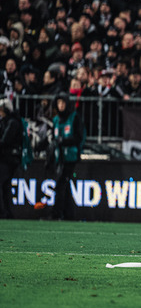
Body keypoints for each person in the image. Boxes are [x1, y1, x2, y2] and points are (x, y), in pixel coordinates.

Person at [50, 92, 85, 220]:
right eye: (59, 103)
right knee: (65, 185)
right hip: (59, 157)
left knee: (61, 184)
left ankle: (56, 213)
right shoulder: (55, 120)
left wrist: (64, 141)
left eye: (63, 102)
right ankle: (69, 214)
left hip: (70, 157)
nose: (61, 105)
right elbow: (53, 138)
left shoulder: (74, 117)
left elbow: (79, 137)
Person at [0, 98, 22, 219]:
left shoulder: (12, 123)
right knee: (6, 185)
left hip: (9, 158)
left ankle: (3, 211)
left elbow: (5, 140)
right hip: (7, 157)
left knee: (3, 183)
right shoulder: (6, 121)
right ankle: (7, 212)